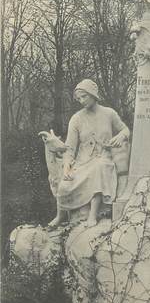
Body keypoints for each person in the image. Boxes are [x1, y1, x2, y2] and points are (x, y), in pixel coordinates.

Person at [48, 79, 130, 228]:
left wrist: (121, 136)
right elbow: (69, 148)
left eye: (84, 96)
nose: (81, 101)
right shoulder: (76, 118)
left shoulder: (109, 113)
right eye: (78, 98)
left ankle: (93, 214)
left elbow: (125, 130)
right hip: (82, 161)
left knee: (99, 168)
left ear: (93, 94)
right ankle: (60, 215)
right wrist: (67, 166)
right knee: (64, 184)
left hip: (103, 158)